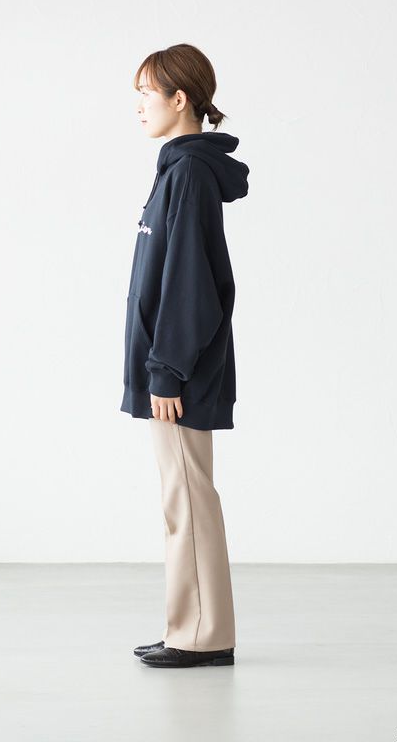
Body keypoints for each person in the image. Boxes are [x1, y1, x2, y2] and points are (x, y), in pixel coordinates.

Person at [120, 43, 250, 668]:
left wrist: (166, 369)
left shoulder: (190, 174)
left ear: (180, 99)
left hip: (181, 372)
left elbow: (190, 283)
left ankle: (201, 635)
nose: (139, 105)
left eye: (147, 93)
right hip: (174, 368)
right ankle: (191, 627)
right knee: (183, 500)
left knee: (189, 501)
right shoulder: (177, 170)